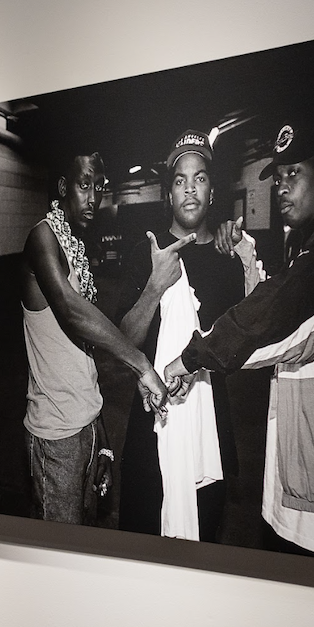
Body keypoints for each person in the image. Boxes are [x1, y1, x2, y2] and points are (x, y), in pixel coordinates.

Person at [165, 119, 314, 559]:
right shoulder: (313, 244)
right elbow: (281, 312)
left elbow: (271, 325)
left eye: (295, 174)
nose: (283, 188)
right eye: (278, 177)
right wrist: (249, 254)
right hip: (310, 473)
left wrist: (189, 357)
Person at [21, 152, 168, 525]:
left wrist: (101, 442)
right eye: (84, 184)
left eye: (98, 187)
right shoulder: (42, 238)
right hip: (56, 437)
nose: (93, 197)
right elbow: (72, 313)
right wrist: (141, 363)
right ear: (63, 187)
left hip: (86, 430)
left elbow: (83, 356)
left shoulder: (76, 247)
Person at [116, 130, 248, 541]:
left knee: (202, 552)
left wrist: (242, 252)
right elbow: (124, 341)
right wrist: (155, 286)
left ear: (212, 192)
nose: (190, 188)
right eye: (179, 180)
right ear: (169, 195)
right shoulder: (147, 254)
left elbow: (245, 346)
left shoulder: (229, 260)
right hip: (151, 425)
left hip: (208, 427)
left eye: (200, 177)